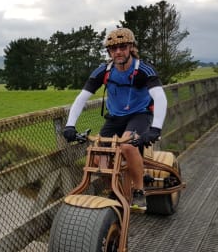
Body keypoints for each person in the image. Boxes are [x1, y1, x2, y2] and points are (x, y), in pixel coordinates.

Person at [63, 27, 167, 209]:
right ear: (109, 52)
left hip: (139, 114)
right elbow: (82, 98)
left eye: (123, 47)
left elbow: (159, 97)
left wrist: (156, 128)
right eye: (113, 48)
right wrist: (70, 126)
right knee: (97, 156)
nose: (118, 52)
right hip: (114, 118)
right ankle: (115, 187)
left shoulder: (143, 70)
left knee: (127, 145)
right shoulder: (104, 70)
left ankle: (139, 190)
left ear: (131, 48)